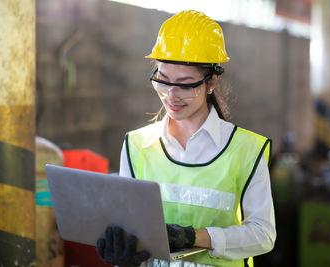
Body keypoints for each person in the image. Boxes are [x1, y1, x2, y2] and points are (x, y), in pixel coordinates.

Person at [96, 10, 276, 267]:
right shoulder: (136, 146)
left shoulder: (245, 150)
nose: (171, 95)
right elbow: (131, 227)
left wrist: (196, 237)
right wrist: (123, 256)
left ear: (211, 81)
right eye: (163, 80)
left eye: (185, 84)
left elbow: (263, 235)